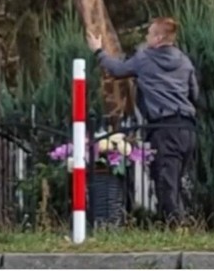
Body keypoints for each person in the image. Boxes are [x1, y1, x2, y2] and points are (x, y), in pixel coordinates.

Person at [87, 18, 204, 224]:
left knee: (164, 182)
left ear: (158, 38)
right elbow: (194, 93)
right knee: (175, 180)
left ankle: (176, 228)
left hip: (163, 127)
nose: (146, 37)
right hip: (186, 127)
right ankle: (180, 223)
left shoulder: (145, 59)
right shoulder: (185, 61)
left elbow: (117, 69)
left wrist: (98, 51)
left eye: (149, 34)